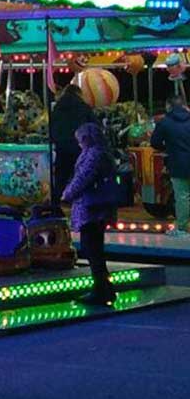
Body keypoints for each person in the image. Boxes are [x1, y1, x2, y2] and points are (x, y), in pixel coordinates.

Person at [61, 122, 120, 305]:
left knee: (92, 248)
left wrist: (67, 194)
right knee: (95, 248)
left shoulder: (93, 154)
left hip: (92, 207)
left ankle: (101, 288)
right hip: (99, 207)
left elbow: (83, 178)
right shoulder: (102, 152)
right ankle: (104, 287)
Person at [48, 83, 91, 199]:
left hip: (61, 146)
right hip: (79, 146)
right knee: (80, 174)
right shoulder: (83, 107)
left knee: (61, 175)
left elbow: (51, 126)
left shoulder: (57, 107)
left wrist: (55, 140)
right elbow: (92, 125)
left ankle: (57, 200)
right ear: (78, 93)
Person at [155, 95, 190, 233]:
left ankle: (182, 227)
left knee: (182, 196)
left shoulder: (165, 122)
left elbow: (155, 142)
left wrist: (167, 148)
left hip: (178, 163)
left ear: (169, 106)